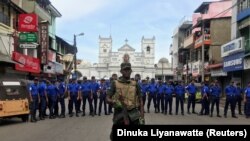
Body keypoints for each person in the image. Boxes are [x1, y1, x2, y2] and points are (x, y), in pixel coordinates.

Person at [107, 58, 145, 141]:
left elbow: (141, 100)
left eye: (128, 70)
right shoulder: (115, 83)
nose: (127, 71)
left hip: (133, 114)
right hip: (120, 114)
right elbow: (107, 98)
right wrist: (114, 101)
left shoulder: (135, 84)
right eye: (125, 70)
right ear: (121, 71)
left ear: (131, 71)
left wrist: (142, 117)